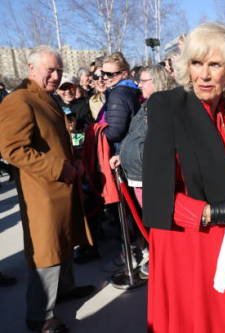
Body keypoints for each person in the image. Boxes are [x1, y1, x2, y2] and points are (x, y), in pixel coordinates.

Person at [142, 22, 225, 333]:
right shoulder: (167, 106)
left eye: (215, 64)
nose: (204, 74)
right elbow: (158, 197)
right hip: (187, 243)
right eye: (197, 63)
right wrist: (211, 212)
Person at [0, 45, 94, 333]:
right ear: (31, 69)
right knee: (46, 252)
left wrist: (74, 161)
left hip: (60, 189)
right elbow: (12, 149)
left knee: (62, 243)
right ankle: (39, 316)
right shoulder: (19, 100)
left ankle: (63, 291)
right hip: (42, 192)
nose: (55, 76)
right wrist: (59, 168)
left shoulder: (46, 98)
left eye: (59, 70)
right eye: (49, 70)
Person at [116, 65, 175, 207]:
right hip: (139, 174)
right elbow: (135, 135)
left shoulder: (167, 106)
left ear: (157, 81)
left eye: (143, 81)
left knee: (159, 218)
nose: (139, 85)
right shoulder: (146, 105)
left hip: (151, 176)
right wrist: (121, 155)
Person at [98, 52, 141, 150]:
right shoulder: (129, 89)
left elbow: (115, 132)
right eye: (103, 73)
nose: (104, 77)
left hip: (120, 149)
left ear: (124, 74)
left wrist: (95, 134)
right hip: (129, 147)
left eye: (109, 74)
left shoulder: (118, 94)